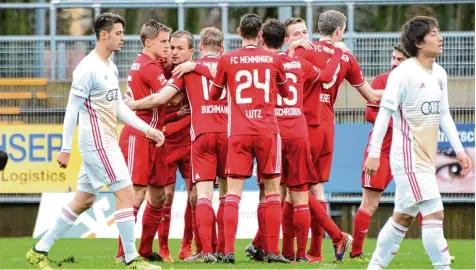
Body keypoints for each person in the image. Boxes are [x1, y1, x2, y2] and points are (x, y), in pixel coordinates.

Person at [26, 13, 164, 270]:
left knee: (84, 200)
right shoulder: (87, 68)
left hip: (104, 141)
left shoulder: (109, 66)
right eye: (119, 33)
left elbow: (119, 109)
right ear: (104, 35)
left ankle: (39, 250)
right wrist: (65, 149)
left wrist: (147, 129)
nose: (123, 38)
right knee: (126, 193)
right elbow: (71, 111)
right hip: (98, 144)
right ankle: (131, 258)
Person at [364, 16, 472, 270]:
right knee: (435, 213)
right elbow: (384, 113)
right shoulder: (403, 74)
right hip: (408, 159)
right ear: (419, 42)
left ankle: (375, 267)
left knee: (402, 217)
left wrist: (459, 150)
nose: (441, 37)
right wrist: (374, 152)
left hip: (425, 158)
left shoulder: (440, 73)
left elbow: (444, 113)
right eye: (434, 33)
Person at [126, 27, 228, 264]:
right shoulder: (164, 70)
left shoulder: (190, 70)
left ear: (194, 51)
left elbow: (176, 102)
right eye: (170, 46)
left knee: (196, 196)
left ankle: (190, 246)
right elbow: (165, 103)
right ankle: (162, 248)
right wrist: (171, 119)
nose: (172, 52)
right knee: (166, 195)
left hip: (193, 140)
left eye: (179, 48)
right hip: (167, 140)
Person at [286, 12, 382, 262]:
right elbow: (372, 96)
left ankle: (334, 236)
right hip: (327, 126)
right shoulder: (347, 57)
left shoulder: (303, 50)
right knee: (316, 189)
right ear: (339, 32)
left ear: (318, 29)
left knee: (292, 185)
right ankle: (315, 252)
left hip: (301, 124)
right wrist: (402, 93)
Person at [209, 13, 291, 264]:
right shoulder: (274, 59)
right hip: (267, 131)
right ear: (261, 35)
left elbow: (214, 95)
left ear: (238, 31)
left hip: (239, 132)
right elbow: (285, 92)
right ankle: (273, 252)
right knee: (272, 192)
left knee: (233, 193)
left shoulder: (227, 59)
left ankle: (229, 252)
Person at [115, 19, 171, 263]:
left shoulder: (146, 63)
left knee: (159, 196)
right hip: (140, 135)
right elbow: (168, 97)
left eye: (169, 42)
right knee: (136, 193)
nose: (168, 47)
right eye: (164, 42)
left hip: (155, 135)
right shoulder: (149, 67)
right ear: (149, 42)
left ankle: (146, 250)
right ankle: (123, 253)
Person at [350, 43, 409, 261]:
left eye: (400, 59)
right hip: (382, 152)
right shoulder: (382, 81)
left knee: (423, 199)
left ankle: (438, 249)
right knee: (370, 203)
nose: (394, 62)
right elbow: (370, 115)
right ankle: (355, 253)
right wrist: (397, 116)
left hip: (407, 152)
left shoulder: (419, 83)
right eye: (393, 58)